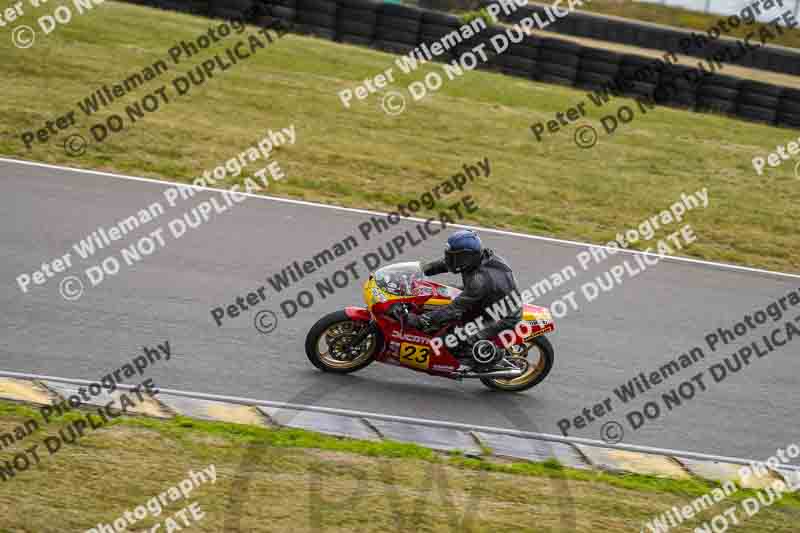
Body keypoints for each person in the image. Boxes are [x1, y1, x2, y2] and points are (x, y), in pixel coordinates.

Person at [406, 230, 522, 370]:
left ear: (468, 257)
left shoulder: (479, 281)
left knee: (451, 341)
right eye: (451, 255)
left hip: (500, 316)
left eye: (455, 257)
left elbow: (454, 310)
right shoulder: (473, 260)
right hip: (486, 299)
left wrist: (421, 320)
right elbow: (445, 264)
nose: (451, 260)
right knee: (438, 294)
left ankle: (487, 358)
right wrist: (420, 271)